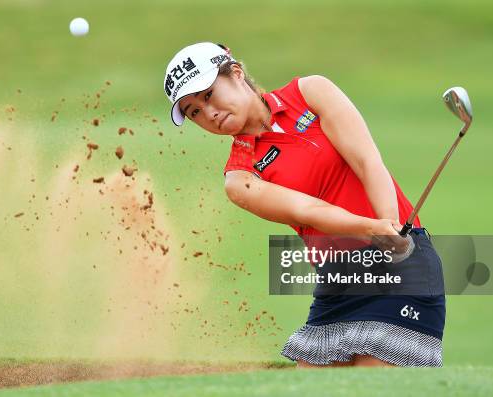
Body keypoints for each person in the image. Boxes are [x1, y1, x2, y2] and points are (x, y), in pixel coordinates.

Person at [163, 42, 445, 367]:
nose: (208, 113)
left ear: (236, 73)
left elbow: (367, 161)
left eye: (208, 94)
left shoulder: (310, 92)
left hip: (401, 263)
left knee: (374, 387)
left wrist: (391, 227)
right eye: (193, 111)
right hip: (339, 281)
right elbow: (309, 211)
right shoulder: (240, 178)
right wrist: (374, 228)